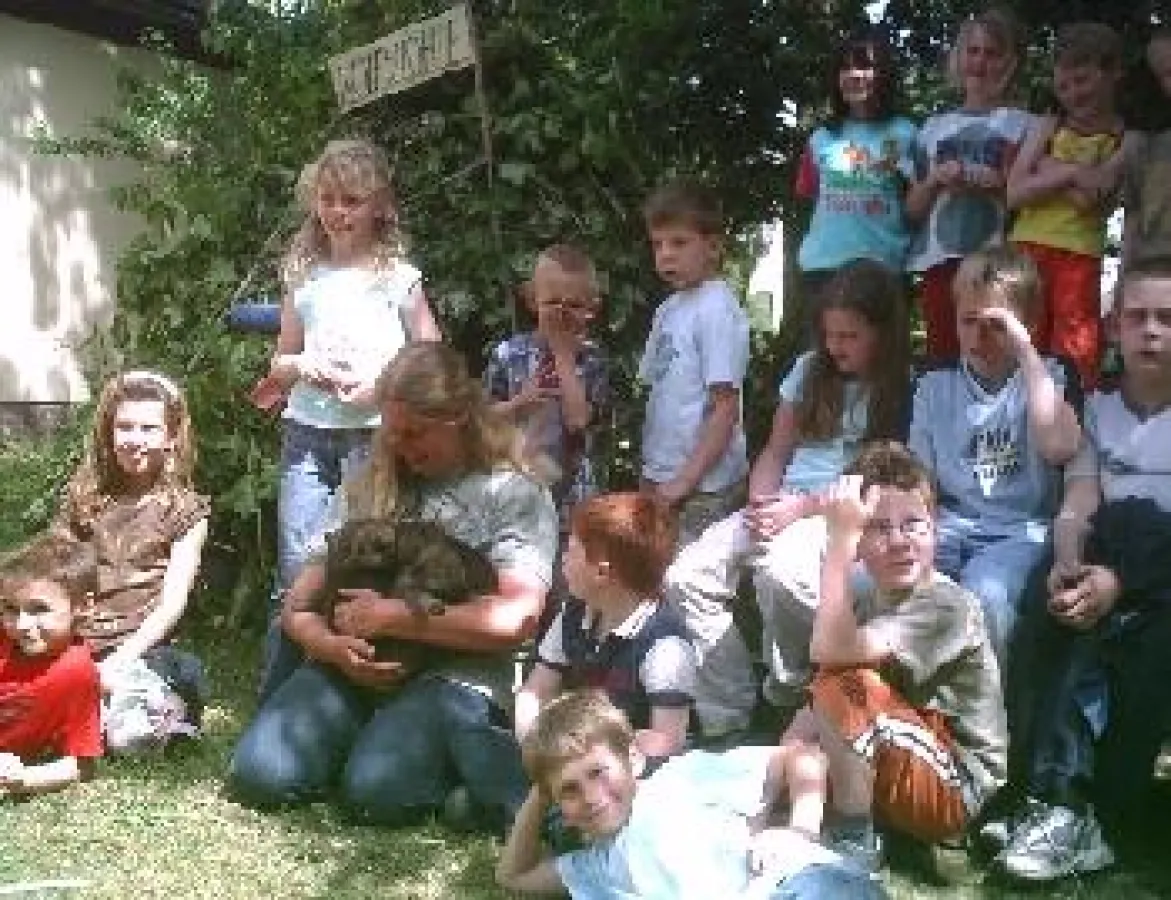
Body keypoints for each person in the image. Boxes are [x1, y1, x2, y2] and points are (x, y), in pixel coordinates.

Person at [229, 342, 558, 832]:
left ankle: (448, 771)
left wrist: (395, 617)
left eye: (415, 432)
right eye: (392, 430)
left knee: (376, 794)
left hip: (453, 677)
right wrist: (331, 646)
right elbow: (300, 602)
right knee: (260, 776)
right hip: (352, 662)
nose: (400, 444)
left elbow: (518, 619)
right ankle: (365, 739)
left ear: (460, 416)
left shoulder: (514, 492)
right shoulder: (373, 482)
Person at [664, 259, 912, 739]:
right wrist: (762, 503)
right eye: (829, 334)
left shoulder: (902, 389)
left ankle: (792, 692)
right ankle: (729, 710)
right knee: (685, 576)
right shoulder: (808, 371)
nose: (834, 346)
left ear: (882, 334)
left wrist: (798, 510)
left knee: (781, 576)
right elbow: (776, 451)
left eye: (849, 336)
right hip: (781, 503)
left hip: (838, 512)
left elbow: (882, 482)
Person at [992, 260, 1171, 882]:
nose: (1152, 331)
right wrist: (1068, 557)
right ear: (1114, 327)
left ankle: (1080, 807)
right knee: (1055, 589)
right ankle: (1044, 795)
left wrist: (1119, 582)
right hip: (1106, 552)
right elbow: (1080, 500)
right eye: (1138, 317)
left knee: (1141, 528)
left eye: (1167, 319)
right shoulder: (1095, 408)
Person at [259, 139, 442, 700]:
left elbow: (431, 350)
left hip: (372, 435)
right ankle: (281, 689)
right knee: (296, 559)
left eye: (353, 201)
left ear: (380, 206)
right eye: (329, 200)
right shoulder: (304, 275)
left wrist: (382, 388)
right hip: (307, 435)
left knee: (362, 555)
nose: (339, 212)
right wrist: (303, 366)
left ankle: (354, 679)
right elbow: (281, 358)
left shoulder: (399, 277)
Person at [797, 442, 1007, 855]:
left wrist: (838, 543)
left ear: (935, 528)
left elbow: (828, 650)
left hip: (958, 784)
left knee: (844, 685)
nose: (898, 541)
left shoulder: (946, 605)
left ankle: (855, 839)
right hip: (909, 743)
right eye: (878, 527)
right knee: (827, 687)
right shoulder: (870, 592)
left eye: (913, 524)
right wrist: (792, 752)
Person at [497, 690, 888, 899]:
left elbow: (803, 758)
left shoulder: (682, 779)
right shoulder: (597, 866)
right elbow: (514, 876)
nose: (592, 795)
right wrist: (539, 794)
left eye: (598, 772)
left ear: (633, 758)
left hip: (799, 885)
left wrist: (800, 831)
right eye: (569, 790)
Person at [908, 246, 1082, 667]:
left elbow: (1059, 447)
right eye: (968, 322)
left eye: (996, 325)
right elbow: (918, 481)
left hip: (1020, 531)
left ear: (1028, 326)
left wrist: (1026, 353)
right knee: (871, 582)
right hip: (951, 523)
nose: (979, 337)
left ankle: (987, 720)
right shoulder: (935, 385)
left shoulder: (1051, 376)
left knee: (988, 596)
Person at [52, 370, 210, 753]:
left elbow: (173, 604)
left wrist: (119, 661)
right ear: (109, 433)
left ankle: (168, 712)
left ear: (172, 438)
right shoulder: (86, 497)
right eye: (125, 427)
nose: (135, 440)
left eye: (148, 429)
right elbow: (53, 572)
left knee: (125, 737)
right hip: (79, 639)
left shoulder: (185, 510)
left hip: (141, 648)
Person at [484, 244, 609, 636]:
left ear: (592, 307)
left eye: (573, 306)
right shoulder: (509, 354)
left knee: (568, 582)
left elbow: (579, 421)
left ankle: (563, 664)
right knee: (515, 573)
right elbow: (480, 419)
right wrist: (519, 404)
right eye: (551, 302)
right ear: (530, 299)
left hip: (574, 495)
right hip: (516, 486)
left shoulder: (593, 360)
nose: (560, 314)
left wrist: (563, 357)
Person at [515, 492, 695, 761]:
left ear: (602, 572)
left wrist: (588, 758)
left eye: (572, 551)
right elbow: (536, 689)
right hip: (569, 752)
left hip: (627, 773)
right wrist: (533, 745)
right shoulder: (575, 612)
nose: (562, 559)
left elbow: (667, 739)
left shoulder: (664, 648)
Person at [1008, 22, 1132, 389]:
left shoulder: (1126, 137)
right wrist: (1076, 174)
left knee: (1075, 349)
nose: (1073, 93)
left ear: (1113, 73)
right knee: (1021, 339)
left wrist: (1050, 170)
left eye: (1082, 80)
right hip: (1026, 247)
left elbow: (1094, 197)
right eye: (1063, 86)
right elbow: (1014, 193)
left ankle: (1074, 425)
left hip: (1079, 254)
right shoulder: (1048, 125)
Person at [905, 5, 1031, 362]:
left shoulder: (1024, 124)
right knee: (942, 359)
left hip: (998, 265)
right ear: (958, 58)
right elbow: (911, 211)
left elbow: (1030, 200)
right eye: (972, 51)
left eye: (992, 53)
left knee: (993, 358)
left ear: (1011, 62)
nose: (980, 62)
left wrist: (993, 184)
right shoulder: (931, 127)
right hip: (939, 262)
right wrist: (934, 181)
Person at [639, 178, 750, 547]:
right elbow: (659, 393)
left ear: (713, 246)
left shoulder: (717, 308)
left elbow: (725, 408)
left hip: (704, 485)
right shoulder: (668, 310)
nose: (666, 254)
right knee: (655, 573)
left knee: (690, 582)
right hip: (662, 473)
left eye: (679, 242)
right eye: (658, 244)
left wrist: (686, 480)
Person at [794, 30, 916, 333]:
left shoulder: (907, 133)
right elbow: (810, 195)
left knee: (883, 369)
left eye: (864, 66)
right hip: (824, 269)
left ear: (884, 74)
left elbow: (916, 204)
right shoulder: (821, 138)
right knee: (824, 366)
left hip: (882, 270)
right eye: (845, 68)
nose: (854, 75)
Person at [0, 533, 101, 797]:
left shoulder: (77, 673)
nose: (21, 625)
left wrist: (25, 779)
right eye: (10, 608)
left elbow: (81, 765)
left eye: (38, 609)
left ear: (83, 607)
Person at [1120, 28, 1171, 274]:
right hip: (1153, 275)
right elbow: (1132, 221)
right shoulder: (1145, 148)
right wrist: (1122, 284)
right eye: (1167, 74)